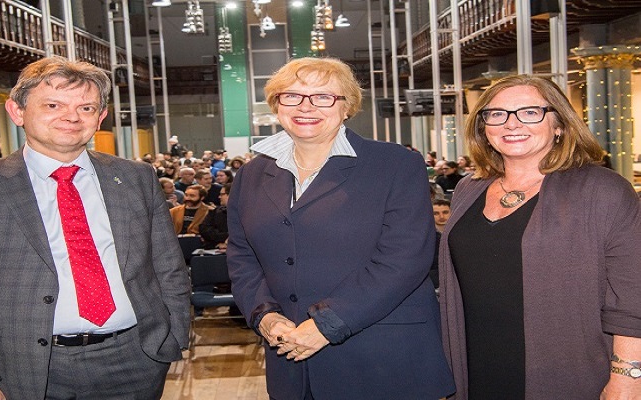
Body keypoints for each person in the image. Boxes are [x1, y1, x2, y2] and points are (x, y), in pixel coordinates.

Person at [0, 56, 191, 400]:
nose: (71, 117)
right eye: (53, 104)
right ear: (17, 112)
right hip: (25, 368)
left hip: (136, 359)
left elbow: (168, 267)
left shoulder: (135, 178)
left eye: (86, 108)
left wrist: (172, 335)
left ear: (100, 118)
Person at [227, 57, 455, 400]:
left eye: (323, 96)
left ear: (347, 107)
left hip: (381, 357)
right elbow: (242, 256)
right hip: (290, 361)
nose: (306, 106)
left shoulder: (395, 164)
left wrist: (327, 324)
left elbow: (404, 259)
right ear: (276, 106)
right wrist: (265, 316)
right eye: (292, 96)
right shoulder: (252, 175)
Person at [439, 75, 641, 400]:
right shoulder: (468, 189)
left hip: (568, 371)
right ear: (484, 129)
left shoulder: (602, 190)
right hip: (478, 366)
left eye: (530, 112)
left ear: (558, 124)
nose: (511, 124)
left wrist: (629, 377)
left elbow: (633, 296)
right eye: (497, 114)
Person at [199, 183, 231, 250]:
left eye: (222, 194)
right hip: (215, 247)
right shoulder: (215, 212)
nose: (219, 197)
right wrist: (224, 238)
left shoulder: (247, 213)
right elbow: (204, 230)